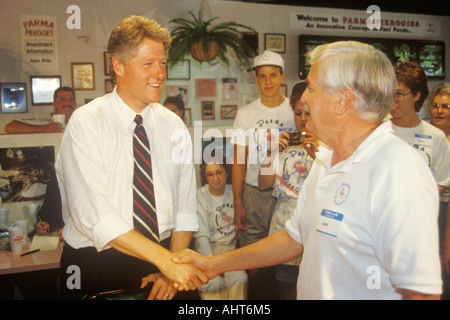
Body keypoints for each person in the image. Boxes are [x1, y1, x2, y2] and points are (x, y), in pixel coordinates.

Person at [175, 41, 443, 300]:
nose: (303, 98)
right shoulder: (325, 161)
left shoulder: (397, 170)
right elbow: (294, 239)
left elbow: (421, 292)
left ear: (342, 100)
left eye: (312, 88)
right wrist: (213, 264)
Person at [55, 15, 207, 300]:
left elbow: (185, 210)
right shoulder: (85, 123)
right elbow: (95, 216)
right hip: (99, 264)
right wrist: (164, 261)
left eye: (162, 63)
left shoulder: (173, 126)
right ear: (118, 65)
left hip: (167, 257)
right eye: (148, 64)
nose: (160, 73)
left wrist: (169, 265)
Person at [229, 50, 295, 299]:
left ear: (282, 77)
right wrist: (237, 201)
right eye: (262, 76)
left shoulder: (294, 110)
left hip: (286, 194)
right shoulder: (246, 114)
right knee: (254, 258)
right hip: (254, 194)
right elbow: (238, 160)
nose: (268, 81)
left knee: (286, 260)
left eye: (273, 75)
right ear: (256, 79)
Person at [257, 81, 317, 299]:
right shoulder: (281, 141)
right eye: (298, 112)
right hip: (284, 224)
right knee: (288, 289)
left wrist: (318, 156)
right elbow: (263, 185)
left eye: (308, 113)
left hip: (315, 226)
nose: (303, 118)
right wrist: (271, 154)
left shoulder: (328, 145)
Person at [390, 61, 450, 196]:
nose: (393, 100)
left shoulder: (436, 136)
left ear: (416, 95)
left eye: (399, 94)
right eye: (390, 93)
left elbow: (440, 182)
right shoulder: (377, 131)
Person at [195, 159, 248, 300]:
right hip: (208, 253)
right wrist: (211, 265)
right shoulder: (200, 196)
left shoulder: (235, 192)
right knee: (214, 283)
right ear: (205, 177)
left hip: (231, 253)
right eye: (210, 175)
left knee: (240, 279)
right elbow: (202, 237)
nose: (216, 178)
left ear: (227, 172)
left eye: (219, 172)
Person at [427, 82, 450, 300]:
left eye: (445, 106)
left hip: (445, 211)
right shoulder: (425, 136)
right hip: (425, 207)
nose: (439, 111)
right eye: (435, 106)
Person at [4, 86, 76, 133]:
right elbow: (10, 127)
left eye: (71, 99)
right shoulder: (47, 123)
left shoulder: (81, 124)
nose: (67, 103)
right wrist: (44, 129)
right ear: (55, 104)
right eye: (62, 99)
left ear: (75, 103)